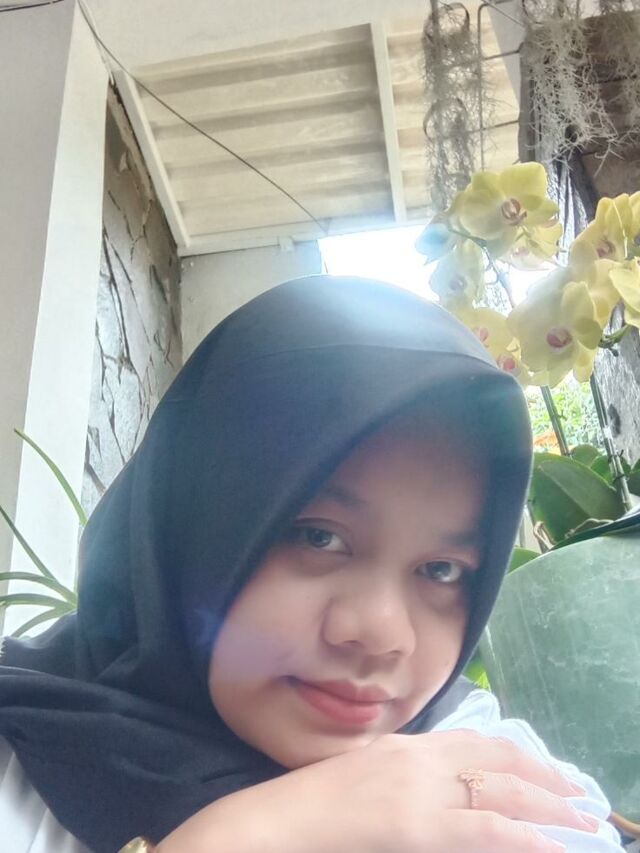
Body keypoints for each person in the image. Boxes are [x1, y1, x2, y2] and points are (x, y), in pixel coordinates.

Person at [0, 275, 624, 853]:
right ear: (187, 525)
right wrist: (246, 834)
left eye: (442, 571)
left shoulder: (477, 760)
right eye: (318, 537)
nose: (381, 632)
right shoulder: (19, 765)